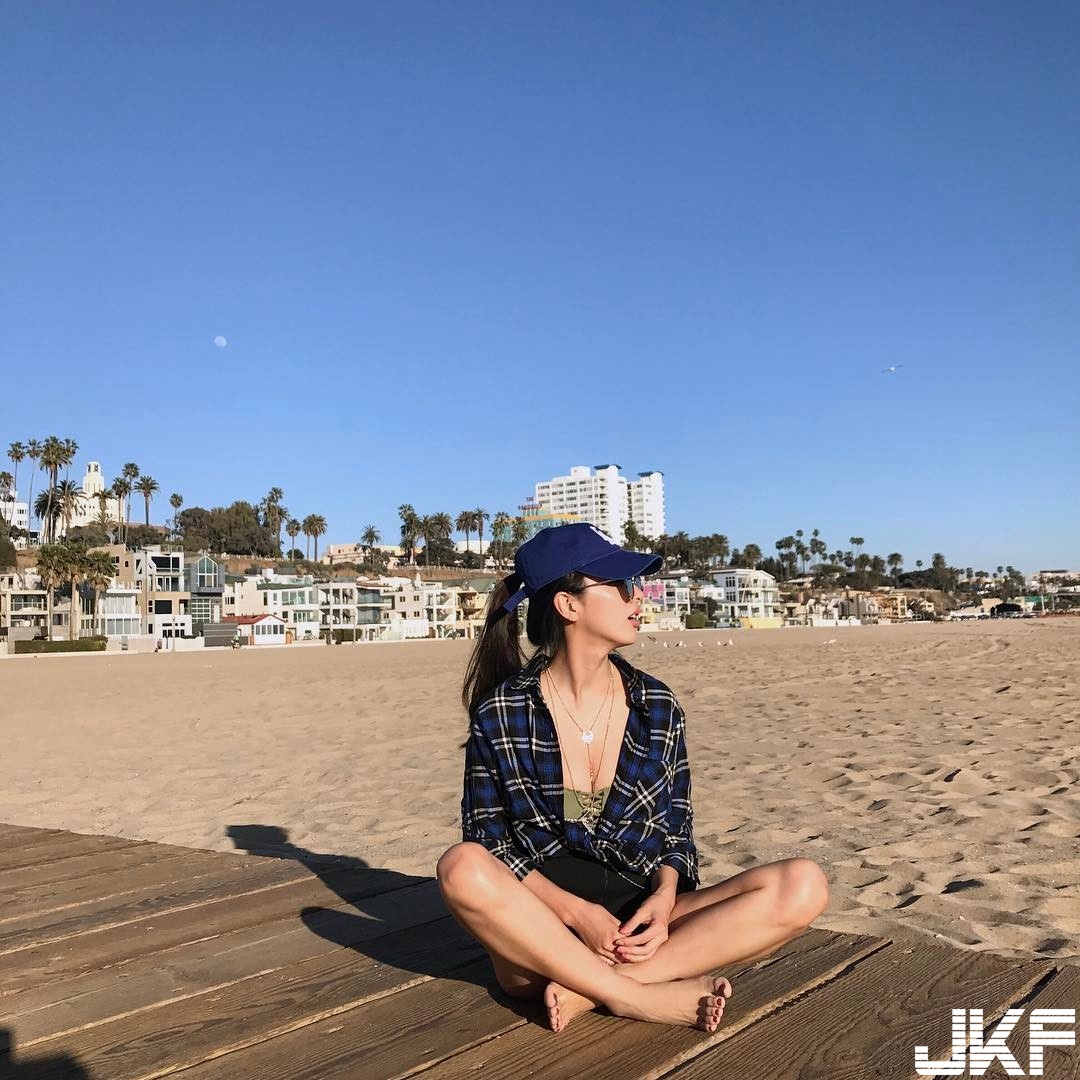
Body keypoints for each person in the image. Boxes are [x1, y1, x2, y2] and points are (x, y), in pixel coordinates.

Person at [437, 523, 828, 1033]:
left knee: (803, 884)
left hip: (641, 924)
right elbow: (489, 840)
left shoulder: (657, 705)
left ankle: (593, 989)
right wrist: (577, 914)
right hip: (542, 927)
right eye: (619, 584)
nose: (636, 597)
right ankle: (632, 995)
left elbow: (676, 830)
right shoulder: (503, 711)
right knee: (461, 866)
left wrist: (663, 900)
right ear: (568, 605)